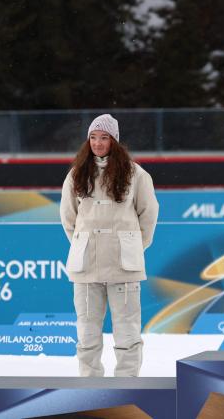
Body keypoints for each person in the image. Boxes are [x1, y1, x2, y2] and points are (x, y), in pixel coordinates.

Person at [60, 114, 159, 376]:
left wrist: (132, 247)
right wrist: (84, 244)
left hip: (123, 265)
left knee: (127, 331)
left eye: (104, 137)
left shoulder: (136, 174)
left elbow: (148, 216)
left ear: (114, 141)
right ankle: (89, 385)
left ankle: (127, 386)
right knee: (87, 330)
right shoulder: (76, 174)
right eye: (93, 137)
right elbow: (69, 219)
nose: (98, 143)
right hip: (86, 266)